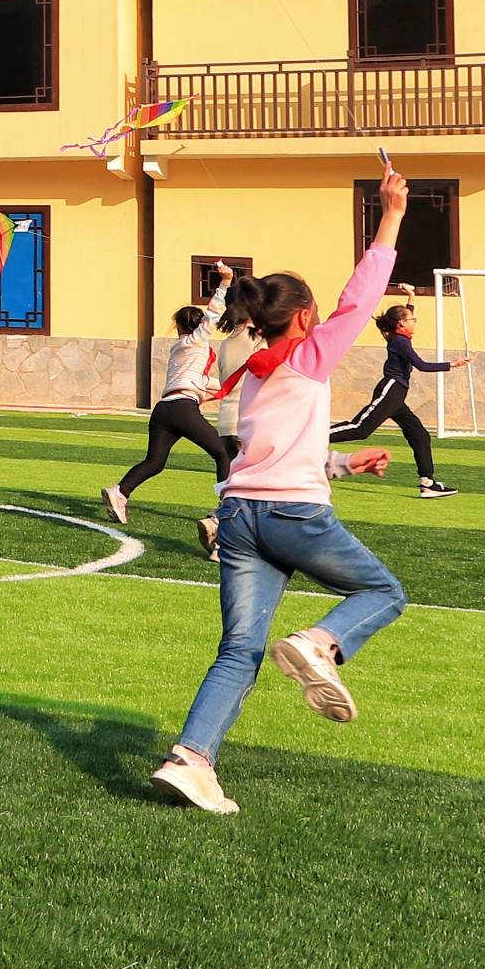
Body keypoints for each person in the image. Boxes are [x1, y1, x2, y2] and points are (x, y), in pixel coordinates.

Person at [153, 170, 416, 815]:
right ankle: (322, 642)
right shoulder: (307, 355)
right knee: (383, 591)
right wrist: (390, 217)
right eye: (317, 313)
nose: (329, 320)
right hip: (290, 515)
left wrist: (347, 464)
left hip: (240, 517)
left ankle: (191, 761)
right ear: (303, 317)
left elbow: (272, 453)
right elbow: (362, 298)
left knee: (238, 651)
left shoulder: (256, 374)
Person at [104, 263, 234, 525]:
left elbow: (197, 379)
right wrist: (226, 282)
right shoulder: (197, 341)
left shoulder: (180, 349)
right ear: (197, 326)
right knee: (222, 453)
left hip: (163, 409)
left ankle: (120, 492)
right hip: (183, 409)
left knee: (155, 461)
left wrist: (223, 386)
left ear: (178, 327)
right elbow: (214, 313)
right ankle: (225, 509)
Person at [332, 300, 459, 497]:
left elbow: (405, 316)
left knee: (420, 436)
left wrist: (411, 296)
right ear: (401, 323)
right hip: (391, 389)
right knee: (360, 429)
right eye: (412, 319)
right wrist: (452, 364)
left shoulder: (400, 337)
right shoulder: (400, 341)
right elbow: (421, 365)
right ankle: (313, 436)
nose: (415, 321)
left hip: (398, 395)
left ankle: (427, 483)